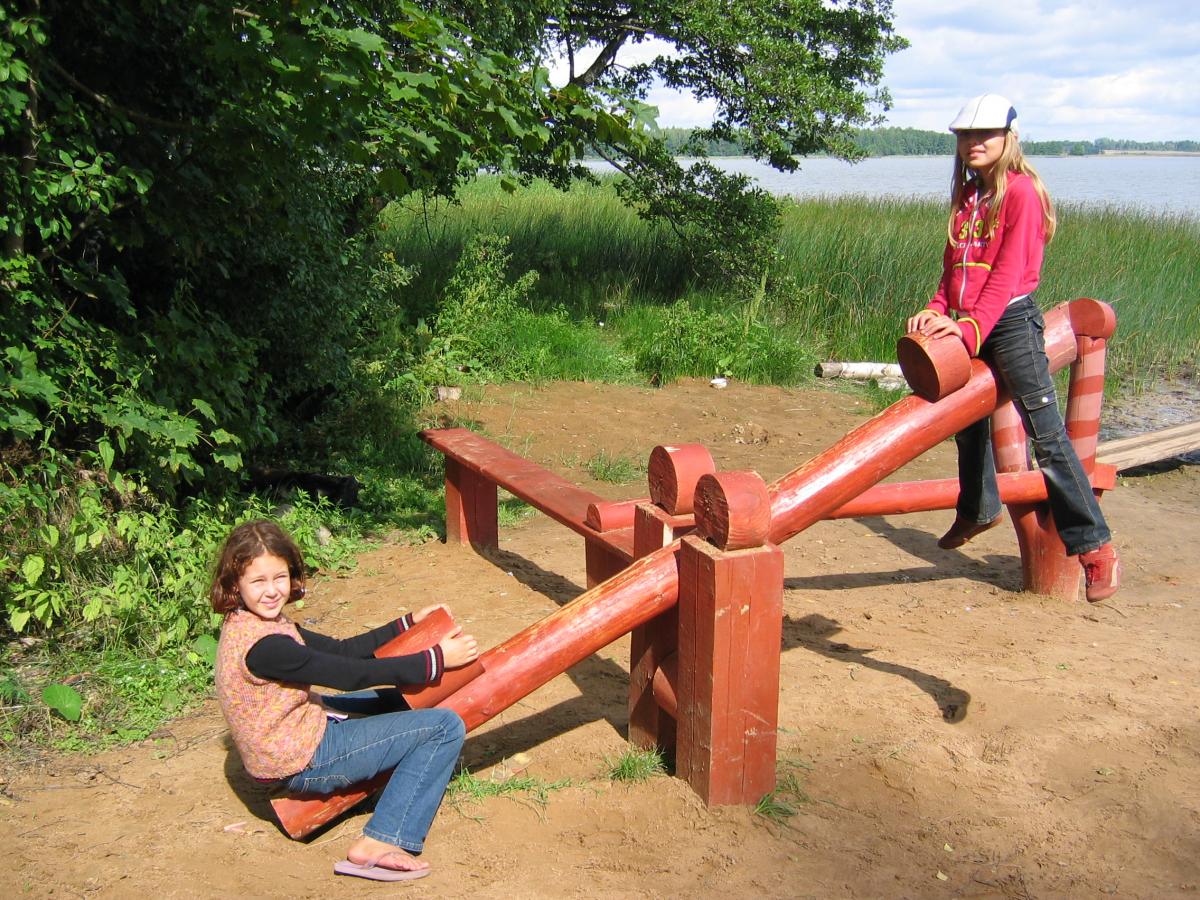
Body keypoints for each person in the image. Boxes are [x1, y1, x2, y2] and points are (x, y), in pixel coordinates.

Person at [905, 93, 1121, 602]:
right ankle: (979, 509)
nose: (973, 143)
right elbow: (953, 269)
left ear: (1009, 138)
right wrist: (937, 309)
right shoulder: (969, 196)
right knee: (965, 421)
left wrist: (969, 331)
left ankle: (1096, 547)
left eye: (984, 134)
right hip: (968, 322)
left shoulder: (1021, 192)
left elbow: (1004, 278)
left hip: (1009, 323)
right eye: (965, 135)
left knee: (1045, 434)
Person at [211, 519, 479, 882]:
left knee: (393, 700)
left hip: (305, 732)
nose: (272, 591)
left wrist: (406, 623)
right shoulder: (266, 646)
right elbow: (349, 675)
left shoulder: (259, 622)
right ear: (235, 584)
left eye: (280, 577)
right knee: (444, 727)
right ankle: (382, 841)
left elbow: (342, 651)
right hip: (304, 762)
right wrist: (436, 659)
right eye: (258, 581)